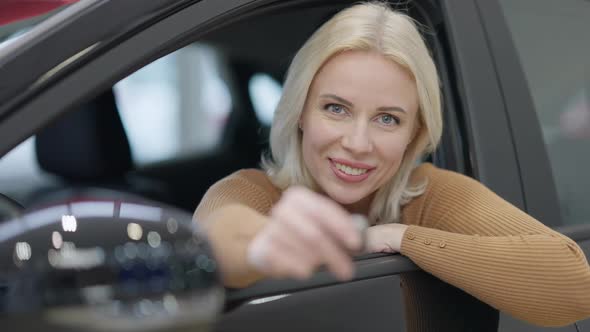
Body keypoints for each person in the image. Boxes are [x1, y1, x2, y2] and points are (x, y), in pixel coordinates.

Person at [194, 1, 590, 328]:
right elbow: (213, 242)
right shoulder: (252, 190)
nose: (357, 143)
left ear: (414, 134)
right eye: (336, 108)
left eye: (388, 119)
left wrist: (397, 237)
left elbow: (575, 284)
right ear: (301, 112)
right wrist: (266, 245)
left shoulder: (430, 193)